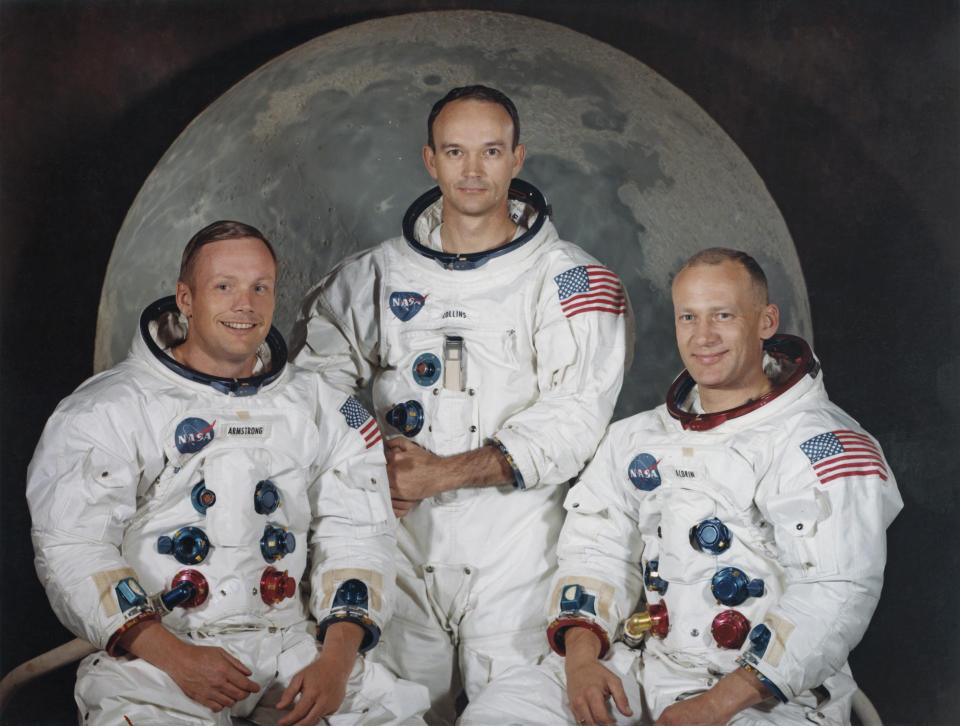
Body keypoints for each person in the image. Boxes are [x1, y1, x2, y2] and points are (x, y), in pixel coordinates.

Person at [291, 85, 634, 724]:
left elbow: (573, 419)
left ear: (517, 158)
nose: (473, 171)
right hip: (397, 538)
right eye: (455, 151)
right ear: (430, 161)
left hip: (518, 546)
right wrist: (373, 459)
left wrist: (439, 474)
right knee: (382, 709)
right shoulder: (371, 277)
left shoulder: (570, 279)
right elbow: (313, 394)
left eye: (490, 152)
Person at [459, 248, 903, 726]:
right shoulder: (636, 439)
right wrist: (582, 659)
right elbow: (595, 550)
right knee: (500, 714)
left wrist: (716, 704)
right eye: (688, 317)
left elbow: (835, 593)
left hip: (768, 693)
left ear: (766, 320)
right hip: (651, 665)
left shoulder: (825, 445)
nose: (703, 336)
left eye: (724, 315)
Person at [26, 221, 428, 725]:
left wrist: (337, 661)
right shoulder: (106, 408)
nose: (246, 304)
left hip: (291, 647)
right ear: (185, 299)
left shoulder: (324, 407)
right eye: (224, 287)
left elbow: (359, 534)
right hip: (160, 654)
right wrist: (175, 657)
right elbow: (72, 545)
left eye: (260, 287)